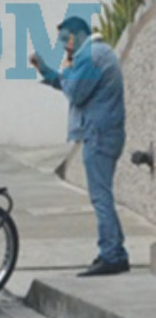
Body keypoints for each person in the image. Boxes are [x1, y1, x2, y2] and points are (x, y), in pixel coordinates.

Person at [31, 16, 129, 277]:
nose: (64, 46)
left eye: (66, 39)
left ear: (78, 35)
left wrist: (60, 72)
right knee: (102, 194)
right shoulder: (102, 52)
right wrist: (49, 73)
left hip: (98, 135)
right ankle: (116, 251)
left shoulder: (89, 56)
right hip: (108, 133)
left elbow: (74, 91)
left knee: (100, 196)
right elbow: (70, 84)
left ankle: (111, 255)